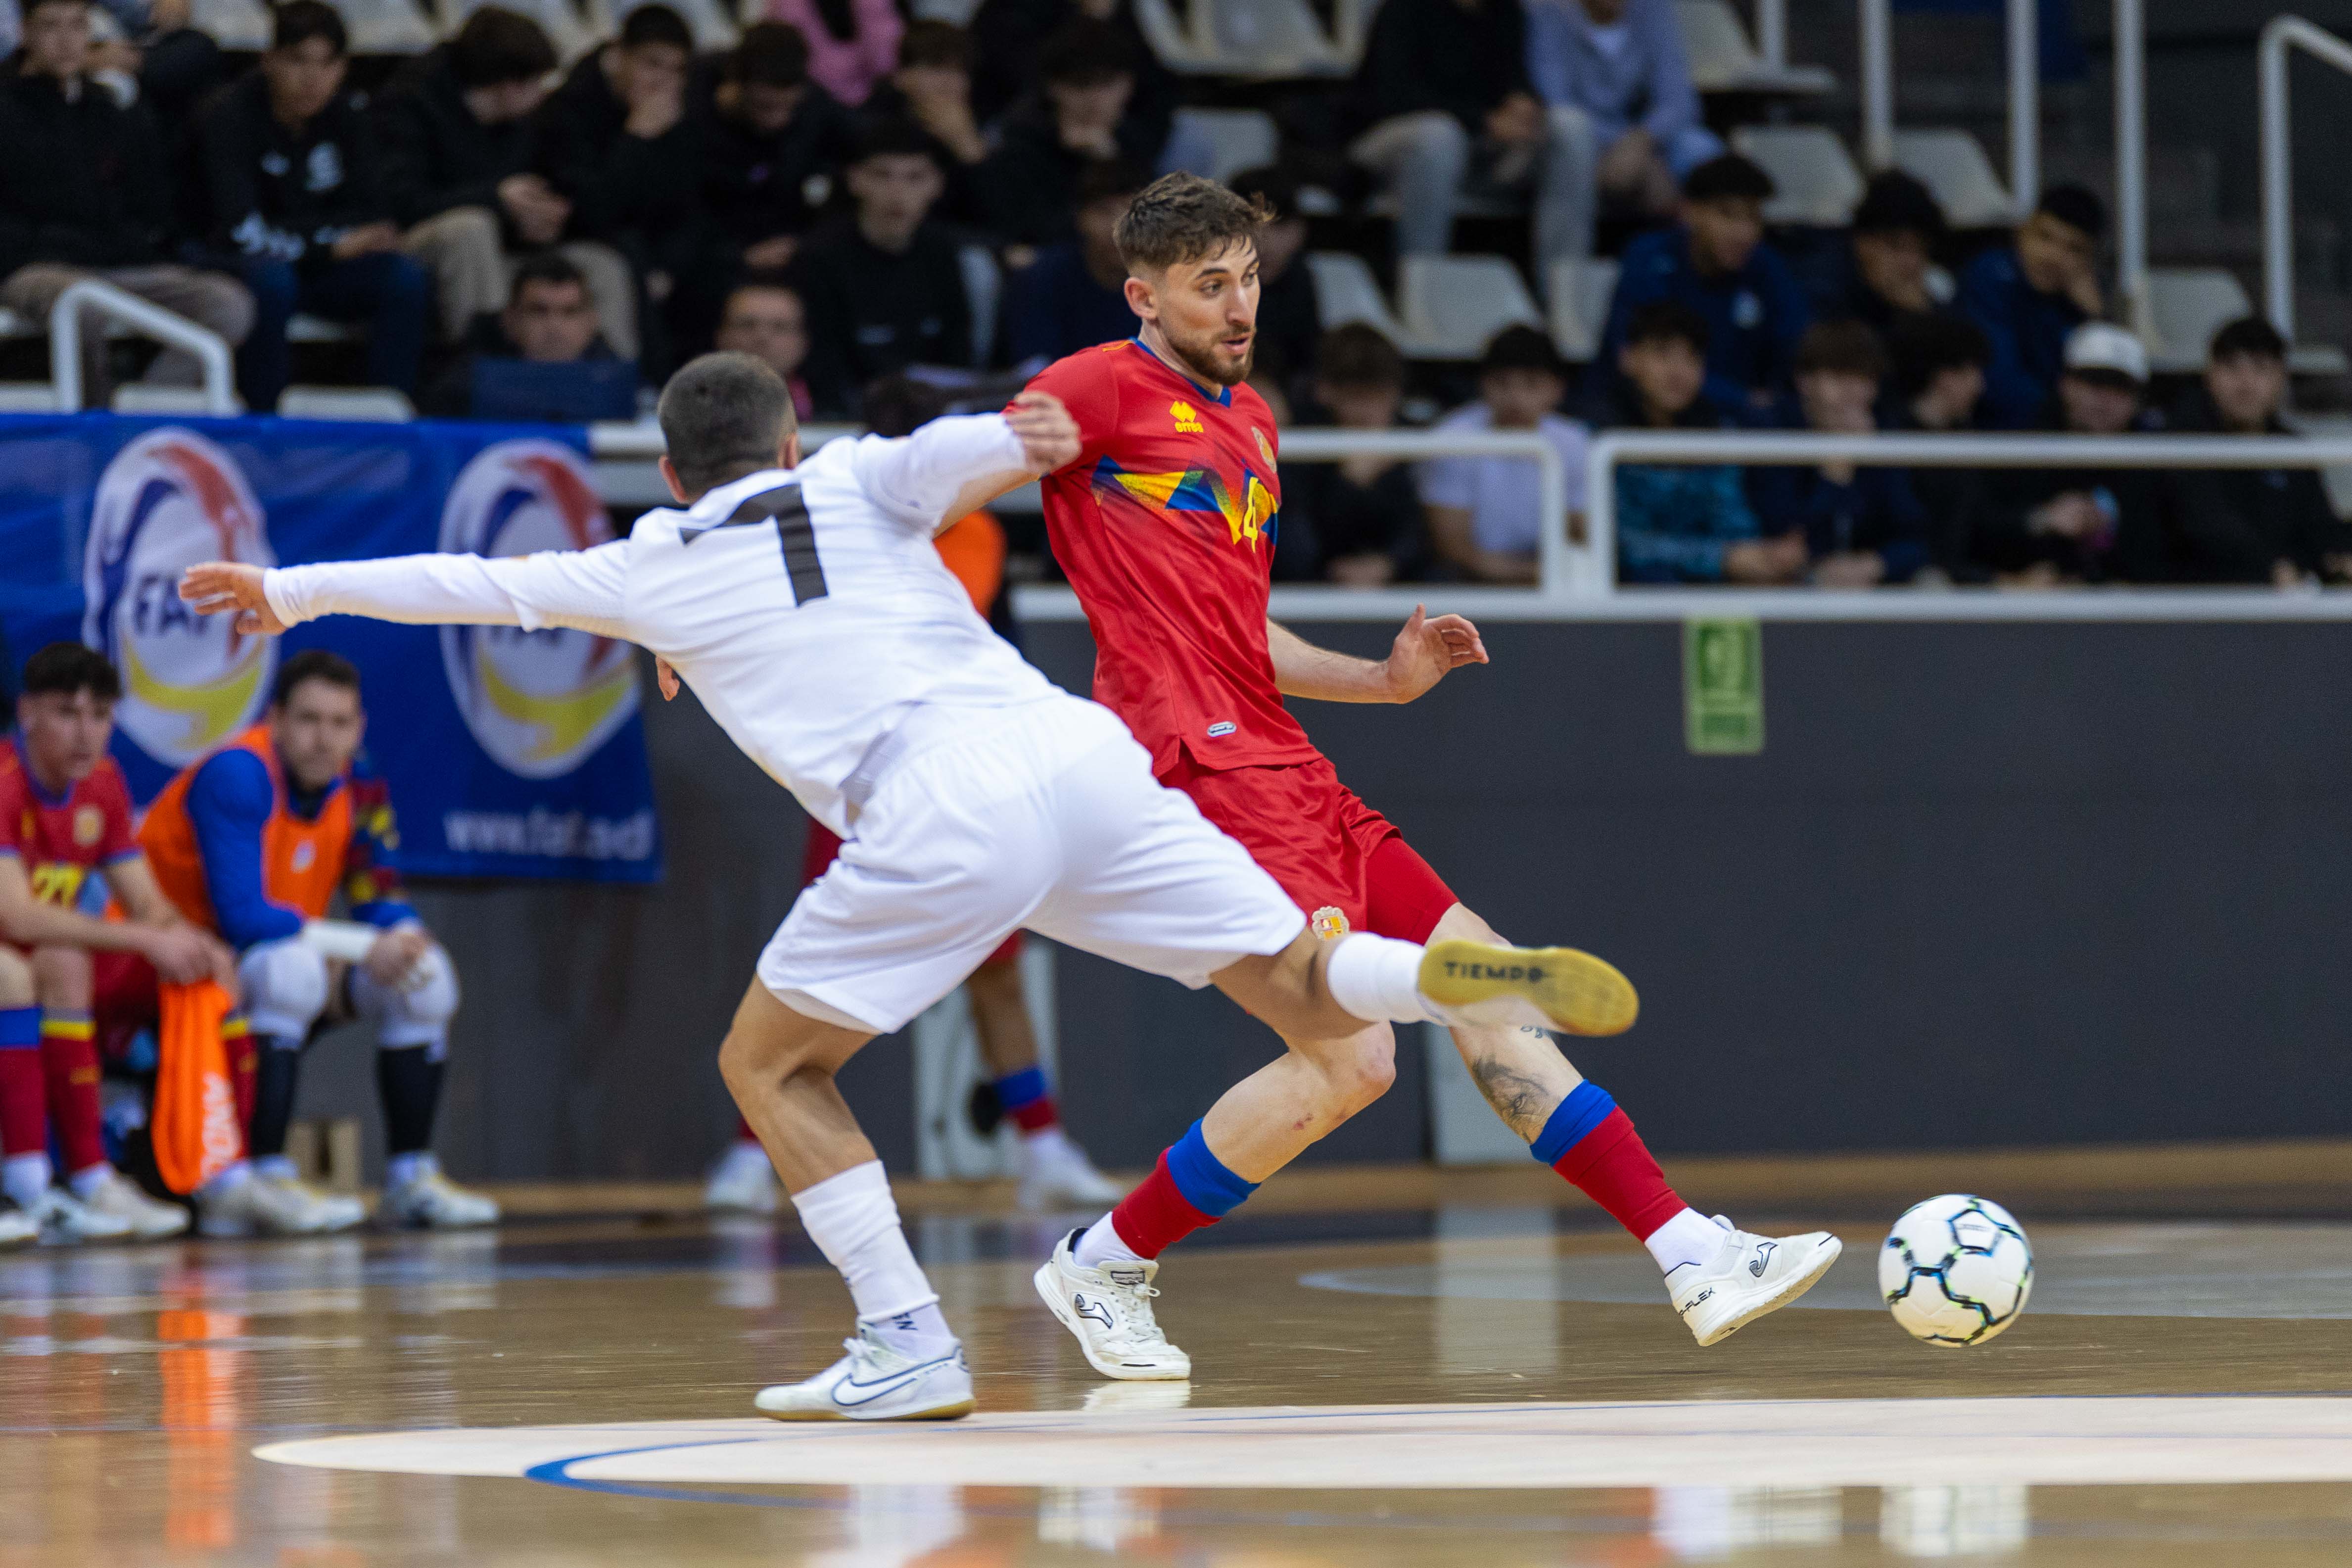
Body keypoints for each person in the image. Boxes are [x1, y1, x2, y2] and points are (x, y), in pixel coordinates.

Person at [179, 352, 1620, 1421]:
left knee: (768, 1062)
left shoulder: (652, 560)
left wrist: (288, 591)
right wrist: (1011, 434)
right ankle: (1430, 975)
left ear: (673, 472)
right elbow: (937, 461)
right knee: (1310, 1000)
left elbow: (474, 587)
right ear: (791, 433)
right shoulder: (856, 471)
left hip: (935, 803)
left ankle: (906, 1335)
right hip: (1081, 752)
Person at [1012, 174, 1837, 1380]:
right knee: (1358, 1058)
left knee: (1482, 991)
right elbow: (931, 476)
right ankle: (1102, 1260)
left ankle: (1687, 1247)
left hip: (1291, 760)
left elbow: (1245, 634)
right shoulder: (1092, 388)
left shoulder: (1252, 419)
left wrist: (1382, 682)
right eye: (1208, 285)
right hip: (1194, 766)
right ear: (1144, 293)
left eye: (1248, 275)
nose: (1239, 304)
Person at [136, 651, 498, 1236]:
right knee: (290, 971)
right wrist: (361, 946)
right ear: (275, 718)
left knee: (427, 975)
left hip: (260, 962)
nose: (322, 738)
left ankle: (412, 1177)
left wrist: (404, 934)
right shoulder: (238, 773)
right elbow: (243, 917)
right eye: (307, 719)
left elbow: (376, 890)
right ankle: (265, 1175)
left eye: (339, 722)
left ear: (358, 729)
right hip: (171, 973)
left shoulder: (359, 781)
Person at [0, 644, 231, 1243]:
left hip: (35, 958)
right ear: (26, 712)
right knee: (26, 971)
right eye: (66, 712)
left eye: (100, 715)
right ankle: (28, 1185)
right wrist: (141, 937)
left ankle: (100, 1178)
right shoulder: (4, 777)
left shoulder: (101, 783)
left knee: (210, 969)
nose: (85, 732)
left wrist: (189, 938)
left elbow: (147, 900)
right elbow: (17, 914)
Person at [0, 0, 252, 409]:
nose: (66, 41)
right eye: (51, 27)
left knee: (227, 304)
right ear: (25, 33)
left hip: (113, 265)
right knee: (82, 303)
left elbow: (149, 207)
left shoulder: (112, 110)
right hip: (33, 270)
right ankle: (94, 423)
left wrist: (122, 245)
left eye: (77, 26)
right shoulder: (6, 111)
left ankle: (141, 413)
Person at [191, 0, 432, 410]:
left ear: (342, 68)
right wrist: (331, 246)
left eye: (327, 64)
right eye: (298, 62)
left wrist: (325, 244)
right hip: (229, 260)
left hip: (311, 263)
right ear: (269, 61)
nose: (312, 79)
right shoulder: (227, 116)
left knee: (403, 279)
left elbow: (373, 217)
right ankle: (263, 423)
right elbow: (239, 229)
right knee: (273, 281)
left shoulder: (350, 116)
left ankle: (388, 419)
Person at [377, 7, 639, 359]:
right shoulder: (410, 103)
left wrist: (546, 219)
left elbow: (555, 184)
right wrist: (496, 200)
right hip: (423, 247)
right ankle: (486, 373)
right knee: (471, 229)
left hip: (506, 253)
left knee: (601, 266)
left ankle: (610, 389)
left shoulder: (527, 122)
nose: (542, 95)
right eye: (535, 84)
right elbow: (401, 204)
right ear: (510, 85)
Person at [1350, 0, 1599, 278]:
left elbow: (1516, 79)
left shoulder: (1508, 13)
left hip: (1483, 154)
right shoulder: (1404, 8)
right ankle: (1420, 286)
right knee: (1438, 136)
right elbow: (1394, 96)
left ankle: (1564, 291)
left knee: (1571, 126)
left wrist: (1523, 101)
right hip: (1392, 146)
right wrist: (1485, 121)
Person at [535, 3, 699, 371]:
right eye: (652, 64)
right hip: (581, 239)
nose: (663, 81)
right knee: (628, 253)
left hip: (655, 249)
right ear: (617, 57)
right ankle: (645, 381)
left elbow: (690, 204)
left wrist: (669, 265)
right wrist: (636, 138)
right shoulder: (568, 110)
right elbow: (594, 210)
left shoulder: (681, 115)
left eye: (676, 70)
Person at [2137, 316, 2352, 586]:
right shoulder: (2180, 440)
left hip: (2281, 605)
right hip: (2191, 607)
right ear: (2210, 374)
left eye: (2261, 369)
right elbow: (2205, 525)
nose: (2246, 383)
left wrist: (2339, 557)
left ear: (2281, 378)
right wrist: (2270, 569)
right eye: (2232, 368)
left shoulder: (2292, 449)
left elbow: (2320, 527)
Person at [1593, 153, 1808, 417]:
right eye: (1727, 214)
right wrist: (1743, 399)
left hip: (1735, 427)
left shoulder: (1766, 266)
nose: (1743, 232)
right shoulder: (1649, 257)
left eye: (1753, 217)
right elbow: (1640, 358)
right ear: (1690, 212)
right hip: (1635, 417)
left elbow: (1799, 350)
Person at [787, 118, 972, 417]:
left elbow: (957, 352)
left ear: (937, 185)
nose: (897, 192)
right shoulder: (819, 258)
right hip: (848, 417)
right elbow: (822, 362)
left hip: (933, 413)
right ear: (855, 180)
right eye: (882, 176)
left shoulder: (942, 254)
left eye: (915, 178)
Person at [1605, 299, 1796, 584]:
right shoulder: (1599, 436)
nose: (1678, 371)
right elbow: (1623, 544)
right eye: (1663, 354)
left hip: (1710, 589)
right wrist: (1720, 558)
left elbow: (1732, 523)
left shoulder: (1718, 433)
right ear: (1628, 359)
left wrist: (1764, 556)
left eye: (1691, 358)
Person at [1749, 320, 1928, 587]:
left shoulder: (1881, 435)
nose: (1854, 394)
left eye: (1865, 380)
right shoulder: (1774, 434)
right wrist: (1835, 475)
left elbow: (1916, 537)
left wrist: (1876, 564)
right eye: (1840, 378)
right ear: (1804, 381)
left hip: (1866, 588)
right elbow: (1786, 541)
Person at [1973, 321, 2152, 584]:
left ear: (2137, 401)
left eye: (2120, 388)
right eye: (2093, 383)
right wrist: (2041, 519)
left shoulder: (2156, 457)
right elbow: (1977, 530)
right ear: (2065, 384)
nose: (2104, 400)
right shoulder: (2023, 447)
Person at [690, 22, 861, 290]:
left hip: (792, 246)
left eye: (788, 107)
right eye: (764, 106)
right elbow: (682, 212)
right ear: (736, 83)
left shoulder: (813, 106)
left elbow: (866, 142)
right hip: (715, 255)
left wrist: (805, 243)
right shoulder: (691, 107)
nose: (778, 120)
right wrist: (738, 256)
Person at [1415, 326, 1588, 585]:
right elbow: (1453, 549)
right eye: (1502, 383)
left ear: (1557, 389)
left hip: (1551, 583)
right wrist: (1535, 574)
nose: (1515, 399)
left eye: (1532, 384)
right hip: (1467, 584)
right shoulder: (1452, 439)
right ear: (1484, 385)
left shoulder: (1575, 443)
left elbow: (1583, 537)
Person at [978, 19, 1166, 248]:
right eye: (1081, 86)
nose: (1094, 101)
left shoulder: (1144, 138)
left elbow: (1164, 226)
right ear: (1053, 88)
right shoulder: (1021, 141)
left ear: (1129, 86)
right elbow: (1027, 230)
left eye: (1107, 85)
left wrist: (1110, 159)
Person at [1523, 0, 1720, 218]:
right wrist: (1621, 150)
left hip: (1643, 139)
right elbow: (1556, 104)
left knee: (1699, 147)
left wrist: (1640, 141)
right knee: (1569, 133)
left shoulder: (1653, 8)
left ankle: (1704, 244)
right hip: (1582, 144)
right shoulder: (1548, 11)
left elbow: (1680, 100)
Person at [1283, 324, 1430, 586]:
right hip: (1322, 585)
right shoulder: (1301, 442)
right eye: (1357, 398)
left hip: (1401, 581)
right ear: (1325, 393)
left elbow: (1428, 533)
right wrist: (1349, 482)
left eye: (1380, 396)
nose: (1368, 411)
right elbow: (1301, 547)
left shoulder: (1418, 440)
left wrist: (1389, 564)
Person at [1958, 183, 2104, 429]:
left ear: (2088, 263)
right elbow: (2001, 388)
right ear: (2021, 234)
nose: (2053, 256)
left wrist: (2094, 322)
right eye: (2045, 237)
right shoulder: (1990, 276)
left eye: (2073, 249)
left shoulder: (2078, 306)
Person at [419, 253, 623, 418]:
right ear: (509, 320)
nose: (555, 327)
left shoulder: (617, 383)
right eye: (538, 311)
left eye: (570, 312)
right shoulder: (467, 385)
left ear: (591, 322)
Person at [1002, 157, 1144, 375]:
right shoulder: (1043, 277)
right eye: (1105, 212)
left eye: (1134, 214)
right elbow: (1034, 368)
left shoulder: (1165, 289)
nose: (1119, 228)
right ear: (1080, 218)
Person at [1882, 311, 1991, 579]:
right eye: (1970, 373)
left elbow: (1981, 522)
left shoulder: (1969, 439)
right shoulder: (1892, 437)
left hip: (1966, 579)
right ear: (1943, 376)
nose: (1980, 386)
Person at [859, 21, 989, 227]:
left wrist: (970, 149)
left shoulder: (983, 129)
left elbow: (1000, 218)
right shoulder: (871, 128)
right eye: (936, 69)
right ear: (901, 76)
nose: (949, 83)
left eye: (959, 72)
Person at [1808, 170, 1949, 336]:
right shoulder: (1822, 294)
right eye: (1897, 246)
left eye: (1920, 250)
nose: (1912, 263)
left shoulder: (1926, 300)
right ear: (1862, 243)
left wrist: (1921, 317)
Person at [1226, 166, 1319, 400]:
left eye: (1278, 227)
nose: (1264, 242)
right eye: (1251, 228)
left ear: (1300, 231)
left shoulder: (1302, 282)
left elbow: (1307, 363)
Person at [754, 0, 898, 108]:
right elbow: (789, 57)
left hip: (876, 95)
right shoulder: (787, 7)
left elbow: (885, 62)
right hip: (811, 101)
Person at [713, 275, 814, 420]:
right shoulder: (689, 406)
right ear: (721, 335)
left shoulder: (840, 406)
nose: (762, 337)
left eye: (780, 327)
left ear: (803, 341)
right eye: (747, 325)